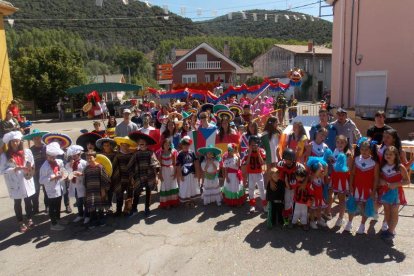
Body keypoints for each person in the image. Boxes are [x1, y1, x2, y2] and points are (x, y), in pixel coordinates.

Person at [0, 131, 36, 233]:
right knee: (17, 202)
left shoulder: (27, 152)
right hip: (14, 182)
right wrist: (13, 170)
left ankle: (29, 218)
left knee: (28, 201)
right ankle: (20, 222)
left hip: (26, 179)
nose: (15, 143)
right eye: (13, 142)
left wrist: (29, 167)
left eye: (17, 141)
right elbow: (1, 170)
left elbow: (32, 163)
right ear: (10, 143)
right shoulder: (5, 156)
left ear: (20, 141)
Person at [347, 138, 379, 234]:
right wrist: (351, 185)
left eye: (366, 149)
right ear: (359, 149)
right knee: (352, 204)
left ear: (370, 150)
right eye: (362, 149)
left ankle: (362, 225)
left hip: (368, 188)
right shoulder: (356, 159)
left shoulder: (374, 162)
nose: (364, 151)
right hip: (356, 187)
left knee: (366, 206)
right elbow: (352, 174)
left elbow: (376, 178)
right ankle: (349, 223)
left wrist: (373, 191)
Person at [378, 146, 409, 241]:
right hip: (385, 192)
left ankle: (391, 231)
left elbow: (407, 181)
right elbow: (379, 178)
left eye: (390, 154)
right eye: (386, 154)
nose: (388, 156)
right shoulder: (382, 166)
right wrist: (381, 181)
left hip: (396, 193)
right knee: (387, 211)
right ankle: (389, 228)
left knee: (394, 212)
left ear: (396, 155)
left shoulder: (400, 167)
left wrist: (396, 184)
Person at [128, 132, 160, 217]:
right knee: (137, 192)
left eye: (142, 144)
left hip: (149, 175)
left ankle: (147, 208)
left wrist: (156, 177)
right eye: (139, 144)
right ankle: (134, 208)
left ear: (146, 144)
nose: (141, 146)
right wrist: (131, 177)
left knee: (148, 192)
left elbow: (155, 165)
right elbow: (130, 166)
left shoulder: (150, 153)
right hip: (138, 175)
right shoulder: (136, 153)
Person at [39, 142, 67, 231]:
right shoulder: (44, 166)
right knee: (52, 206)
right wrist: (52, 178)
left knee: (58, 204)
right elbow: (41, 180)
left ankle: (58, 219)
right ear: (46, 156)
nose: (53, 158)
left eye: (54, 156)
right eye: (50, 157)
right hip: (51, 189)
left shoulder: (59, 162)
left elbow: (63, 171)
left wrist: (64, 175)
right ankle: (53, 224)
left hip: (59, 187)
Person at [277, 148, 306, 225]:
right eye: (285, 159)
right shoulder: (281, 164)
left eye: (289, 159)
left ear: (293, 159)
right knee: (286, 202)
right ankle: (286, 217)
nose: (287, 161)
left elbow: (304, 175)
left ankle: (295, 217)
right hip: (286, 188)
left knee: (295, 202)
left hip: (296, 188)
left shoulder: (299, 166)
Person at [329, 135, 353, 228]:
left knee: (341, 199)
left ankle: (340, 218)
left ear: (346, 143)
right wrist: (331, 160)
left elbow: (349, 168)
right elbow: (334, 163)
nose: (339, 144)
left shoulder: (348, 153)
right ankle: (328, 213)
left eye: (342, 142)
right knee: (331, 194)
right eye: (338, 142)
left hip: (342, 179)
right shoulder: (335, 151)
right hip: (334, 177)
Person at [24, 129, 49, 214]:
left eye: (38, 138)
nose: (37, 140)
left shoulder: (46, 147)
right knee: (35, 191)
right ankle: (35, 208)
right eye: (35, 138)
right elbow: (28, 162)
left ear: (41, 138)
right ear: (32, 140)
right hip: (35, 174)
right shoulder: (30, 150)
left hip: (46, 173)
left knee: (47, 190)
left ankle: (47, 206)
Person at [84, 150, 111, 227]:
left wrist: (103, 189)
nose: (89, 159)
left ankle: (101, 220)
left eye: (90, 158)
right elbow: (85, 180)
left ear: (95, 158)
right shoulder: (86, 169)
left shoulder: (100, 167)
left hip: (99, 190)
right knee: (92, 206)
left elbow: (105, 179)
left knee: (100, 206)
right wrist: (86, 191)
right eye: (87, 158)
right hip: (90, 190)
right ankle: (93, 221)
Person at [111, 136, 136, 216]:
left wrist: (133, 177)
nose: (125, 147)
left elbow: (134, 167)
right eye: (123, 145)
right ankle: (118, 211)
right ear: (120, 145)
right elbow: (113, 166)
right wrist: (114, 177)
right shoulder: (117, 155)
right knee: (119, 194)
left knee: (129, 194)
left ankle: (127, 210)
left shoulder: (132, 155)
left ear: (129, 146)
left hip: (129, 177)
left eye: (126, 145)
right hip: (119, 178)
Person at [243, 135, 267, 213]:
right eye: (252, 144)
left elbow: (262, 163)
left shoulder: (261, 150)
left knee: (262, 189)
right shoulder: (247, 151)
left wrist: (258, 152)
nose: (253, 146)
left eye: (255, 144)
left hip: (259, 173)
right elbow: (247, 163)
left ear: (258, 144)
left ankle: (264, 205)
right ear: (249, 144)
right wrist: (250, 152)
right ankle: (252, 205)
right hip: (251, 174)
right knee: (251, 190)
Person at [65, 145, 88, 224]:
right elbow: (67, 174)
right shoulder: (69, 164)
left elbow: (87, 173)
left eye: (75, 155)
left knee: (85, 201)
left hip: (82, 185)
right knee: (78, 201)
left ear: (79, 154)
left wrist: (81, 174)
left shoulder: (84, 163)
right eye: (72, 156)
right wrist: (70, 167)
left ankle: (87, 216)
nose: (74, 157)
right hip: (74, 185)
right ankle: (80, 215)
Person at [176, 136, 201, 208]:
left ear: (189, 145)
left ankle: (191, 200)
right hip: (184, 174)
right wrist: (180, 175)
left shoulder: (192, 152)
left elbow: (196, 162)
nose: (186, 146)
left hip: (192, 173)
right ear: (182, 146)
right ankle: (186, 201)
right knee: (185, 187)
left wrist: (197, 172)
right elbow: (178, 166)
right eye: (184, 145)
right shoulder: (180, 154)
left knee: (192, 186)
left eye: (187, 145)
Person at [156, 138, 179, 209]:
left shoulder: (173, 152)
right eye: (165, 144)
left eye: (168, 144)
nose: (167, 146)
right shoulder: (160, 153)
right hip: (164, 171)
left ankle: (173, 201)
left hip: (171, 170)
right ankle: (166, 203)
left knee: (172, 185)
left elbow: (175, 164)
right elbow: (159, 165)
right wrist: (159, 174)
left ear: (170, 145)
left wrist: (175, 173)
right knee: (165, 186)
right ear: (163, 145)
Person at [306, 157, 328, 229]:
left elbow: (325, 173)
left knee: (319, 209)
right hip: (313, 198)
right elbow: (311, 179)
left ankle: (319, 220)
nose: (322, 169)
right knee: (312, 210)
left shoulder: (320, 177)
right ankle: (312, 221)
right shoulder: (312, 177)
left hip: (319, 197)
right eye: (320, 168)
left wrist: (325, 166)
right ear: (315, 170)